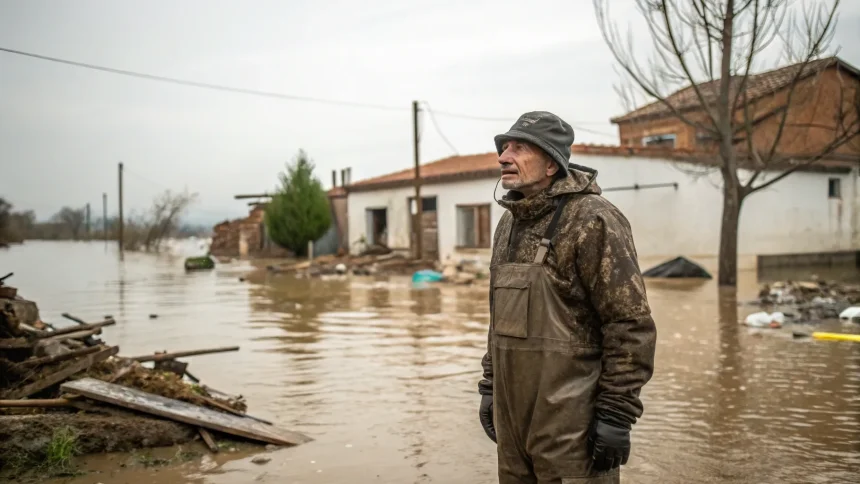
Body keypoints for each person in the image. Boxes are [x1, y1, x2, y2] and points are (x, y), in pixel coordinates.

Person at [478, 111, 657, 483]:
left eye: (519, 148)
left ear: (550, 165)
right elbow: (499, 321)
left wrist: (616, 415)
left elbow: (629, 324)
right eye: (504, 147)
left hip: (573, 427)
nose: (503, 157)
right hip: (514, 425)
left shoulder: (593, 219)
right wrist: (490, 387)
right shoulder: (508, 224)